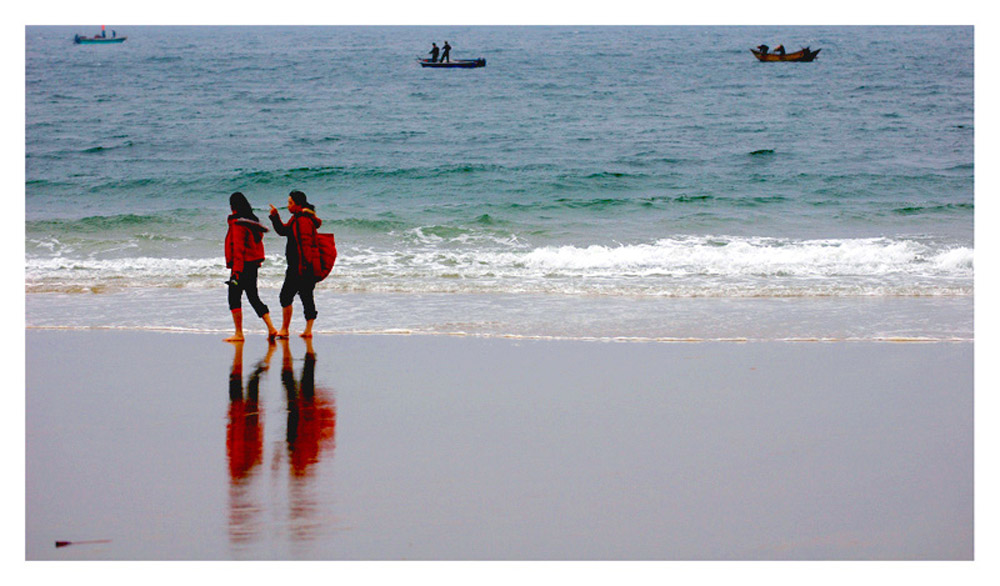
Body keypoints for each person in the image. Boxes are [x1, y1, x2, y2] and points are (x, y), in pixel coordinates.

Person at [269, 190, 322, 338]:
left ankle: (290, 330)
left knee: (287, 297)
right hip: (300, 265)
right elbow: (284, 231)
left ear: (298, 204)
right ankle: (304, 331)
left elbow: (305, 245)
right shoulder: (296, 218)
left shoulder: (303, 220)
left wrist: (303, 268)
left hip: (301, 266)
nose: (288, 206)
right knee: (304, 297)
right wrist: (275, 217)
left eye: (290, 203)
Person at [225, 192, 277, 342]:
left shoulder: (238, 224)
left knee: (234, 298)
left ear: (233, 207)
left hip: (241, 266)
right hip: (252, 265)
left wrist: (236, 272)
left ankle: (239, 334)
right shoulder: (252, 223)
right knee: (253, 297)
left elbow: (239, 249)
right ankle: (271, 328)